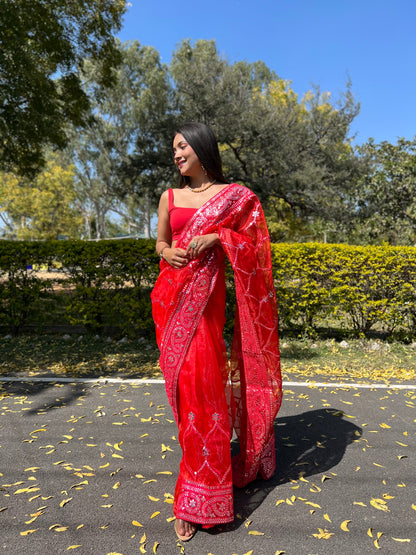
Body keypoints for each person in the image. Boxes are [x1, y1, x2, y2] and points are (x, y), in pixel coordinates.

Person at [151, 122, 282, 542]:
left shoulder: (234, 197)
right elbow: (160, 244)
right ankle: (191, 496)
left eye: (182, 146)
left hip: (207, 312)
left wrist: (218, 238)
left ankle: (208, 491)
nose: (176, 154)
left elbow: (256, 245)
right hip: (172, 306)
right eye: (173, 149)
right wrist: (167, 251)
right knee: (190, 393)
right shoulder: (169, 197)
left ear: (203, 149)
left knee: (209, 394)